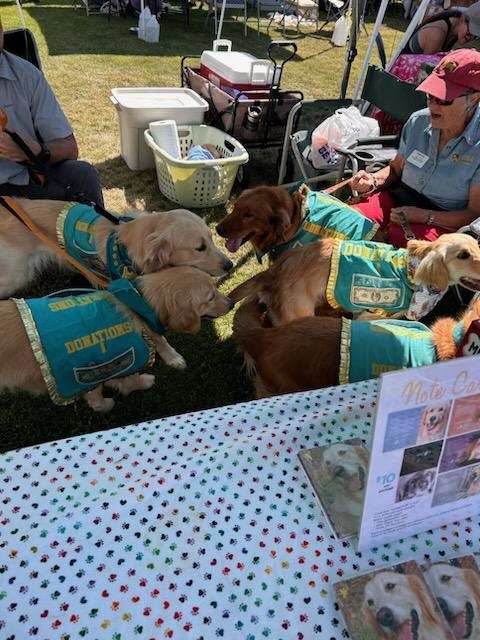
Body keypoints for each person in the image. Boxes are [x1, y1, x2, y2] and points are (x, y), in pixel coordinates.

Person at [349, 49, 480, 248]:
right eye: (430, 95)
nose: (433, 106)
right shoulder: (418, 120)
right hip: (397, 199)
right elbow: (396, 170)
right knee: (348, 223)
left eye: (444, 99)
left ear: (474, 98)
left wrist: (424, 216)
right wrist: (373, 180)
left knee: (403, 253)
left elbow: (473, 214)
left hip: (442, 220)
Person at [0, 19, 103, 205]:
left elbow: (69, 148)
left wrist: (36, 151)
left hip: (26, 180)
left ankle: (94, 226)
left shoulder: (27, 76)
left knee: (83, 176)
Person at [403, 4, 480, 55]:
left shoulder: (455, 29)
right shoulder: (437, 33)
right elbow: (427, 68)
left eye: (476, 35)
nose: (471, 37)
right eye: (470, 32)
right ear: (462, 19)